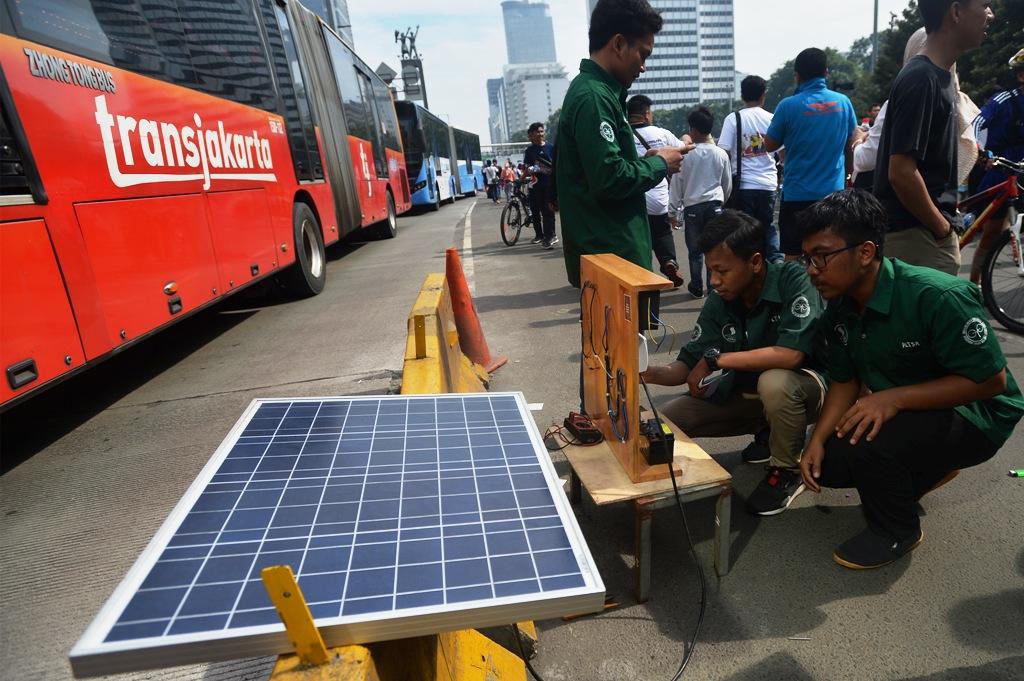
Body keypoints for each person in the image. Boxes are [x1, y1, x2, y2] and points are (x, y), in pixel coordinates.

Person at [797, 189, 1023, 569]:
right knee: (832, 461)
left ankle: (897, 530)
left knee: (871, 441)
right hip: (917, 411)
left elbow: (991, 382)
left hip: (977, 415)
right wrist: (815, 441)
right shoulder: (840, 306)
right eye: (807, 258)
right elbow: (845, 381)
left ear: (866, 252)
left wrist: (892, 399)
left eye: (822, 256)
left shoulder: (936, 296)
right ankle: (923, 469)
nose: (812, 269)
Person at [642, 210, 827, 515]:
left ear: (755, 262)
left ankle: (787, 470)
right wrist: (646, 373)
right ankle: (769, 434)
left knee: (776, 383)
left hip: (810, 390)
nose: (714, 281)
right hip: (752, 396)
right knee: (665, 423)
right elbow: (687, 365)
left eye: (721, 271)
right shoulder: (722, 298)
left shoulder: (792, 280)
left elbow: (790, 355)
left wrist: (717, 360)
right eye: (711, 271)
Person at [553, 0, 691, 288]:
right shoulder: (594, 98)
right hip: (614, 265)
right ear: (618, 44)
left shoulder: (599, 93)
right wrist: (659, 163)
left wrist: (647, 161)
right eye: (642, 54)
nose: (644, 67)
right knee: (629, 334)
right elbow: (609, 178)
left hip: (613, 262)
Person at [872, 0, 994, 275]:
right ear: (955, 12)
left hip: (923, 233)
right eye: (985, 5)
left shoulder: (939, 76)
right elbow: (901, 172)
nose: (991, 15)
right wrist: (941, 228)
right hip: (916, 236)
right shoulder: (921, 78)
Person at [764, 48, 858, 260]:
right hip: (833, 195)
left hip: (797, 196)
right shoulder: (843, 103)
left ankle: (799, 293)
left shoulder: (788, 106)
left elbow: (769, 145)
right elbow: (851, 143)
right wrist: (849, 174)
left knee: (794, 257)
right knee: (832, 255)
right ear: (826, 72)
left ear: (797, 76)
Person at [851, 29, 931, 191]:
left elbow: (866, 160)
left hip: (902, 202)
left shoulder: (900, 100)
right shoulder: (954, 100)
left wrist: (857, 142)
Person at [969, 48, 1024, 283]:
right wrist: (982, 151)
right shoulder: (1004, 100)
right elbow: (977, 123)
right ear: (1021, 75)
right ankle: (973, 285)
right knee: (991, 234)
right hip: (1001, 170)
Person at [669, 106, 731, 299]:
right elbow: (727, 183)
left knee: (695, 251)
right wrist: (722, 202)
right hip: (715, 205)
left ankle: (696, 286)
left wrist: (672, 211)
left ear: (693, 129)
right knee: (714, 248)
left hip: (692, 207)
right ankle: (713, 287)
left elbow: (677, 184)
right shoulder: (720, 153)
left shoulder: (686, 155)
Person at [719, 75, 782, 263]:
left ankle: (750, 266)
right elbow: (782, 153)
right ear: (764, 95)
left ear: (742, 95)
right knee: (768, 227)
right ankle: (776, 262)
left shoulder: (733, 118)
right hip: (768, 184)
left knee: (745, 230)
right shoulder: (772, 118)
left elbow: (723, 153)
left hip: (743, 186)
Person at [627, 93, 686, 287]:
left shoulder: (622, 135)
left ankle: (641, 272)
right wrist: (686, 138)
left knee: (639, 236)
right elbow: (683, 149)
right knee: (662, 233)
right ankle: (669, 261)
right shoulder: (662, 133)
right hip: (660, 198)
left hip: (635, 197)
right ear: (646, 114)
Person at [523, 122, 559, 249]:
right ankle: (543, 236)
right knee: (538, 212)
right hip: (536, 185)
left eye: (542, 131)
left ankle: (550, 236)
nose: (540, 134)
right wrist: (533, 169)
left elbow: (557, 164)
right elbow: (527, 168)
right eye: (537, 132)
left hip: (550, 185)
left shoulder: (551, 147)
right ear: (532, 135)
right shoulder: (529, 151)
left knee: (548, 211)